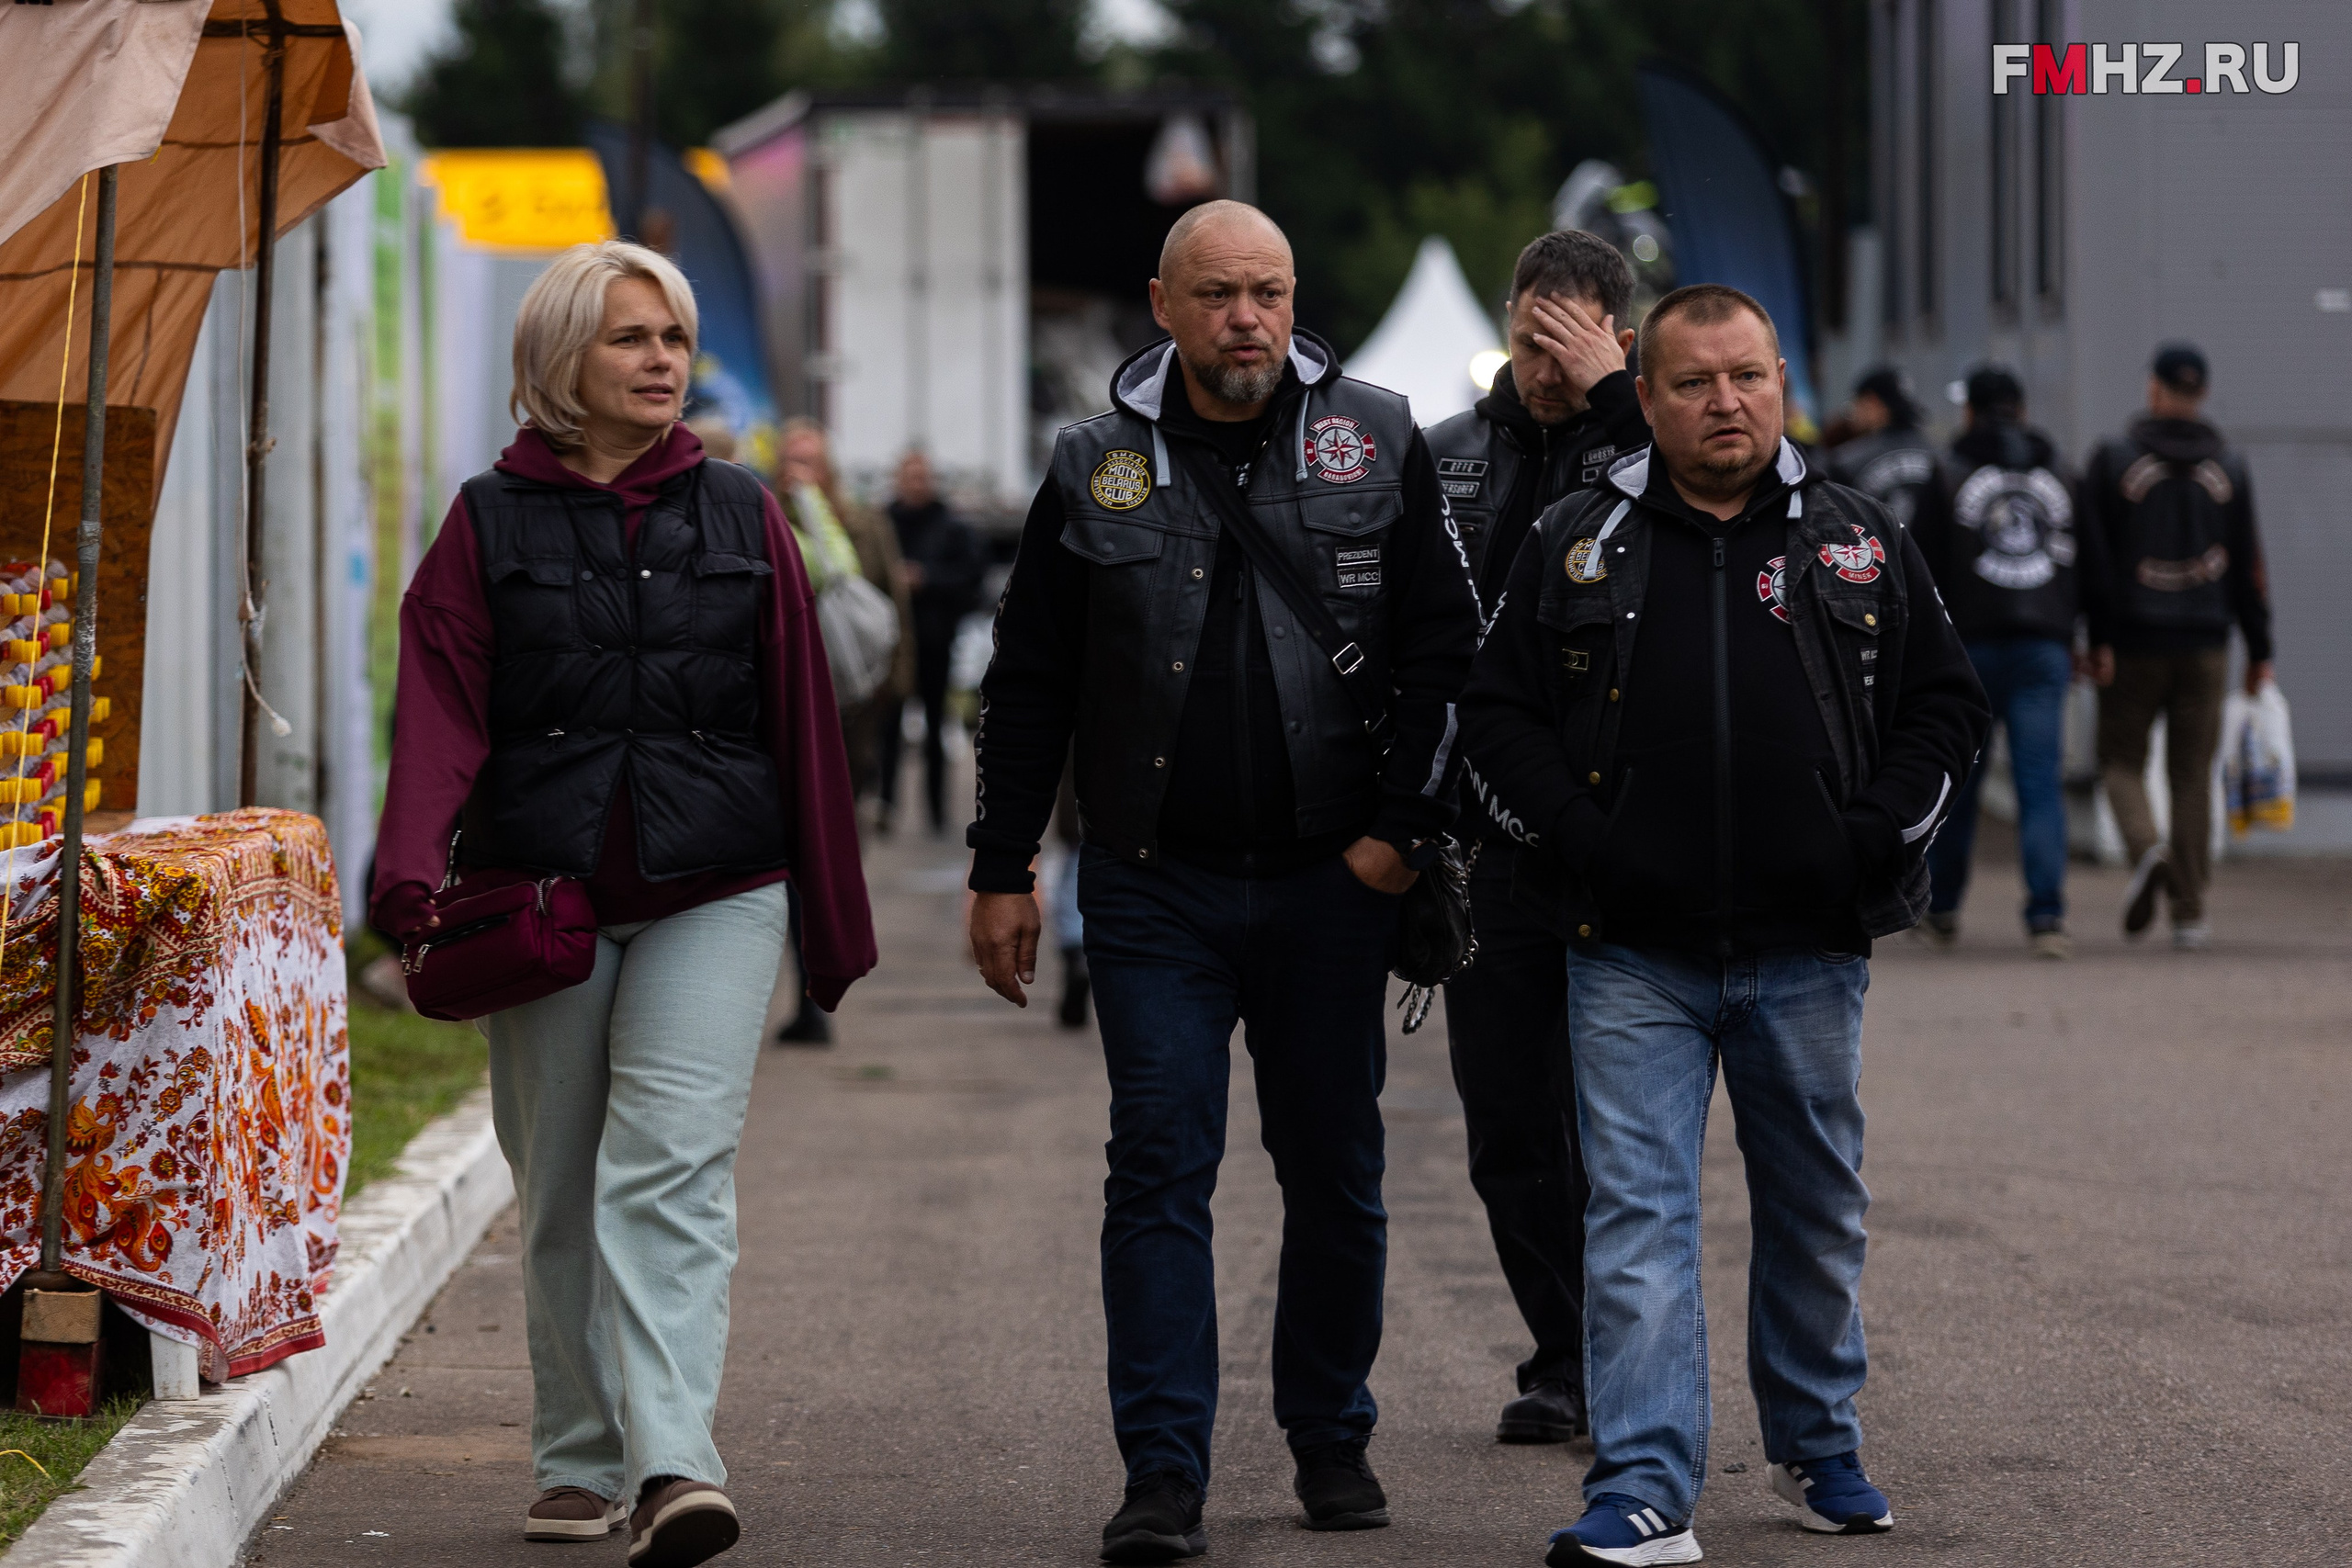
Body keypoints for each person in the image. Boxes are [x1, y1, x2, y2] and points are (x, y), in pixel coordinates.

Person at [965, 200, 1479, 1562]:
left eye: (1267, 291)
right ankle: (1163, 1471)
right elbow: (1028, 686)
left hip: (1332, 881)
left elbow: (1444, 652)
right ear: (1163, 304)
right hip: (1153, 886)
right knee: (1158, 1167)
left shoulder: (1375, 435)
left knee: (1337, 1167)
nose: (1245, 317)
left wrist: (1400, 834)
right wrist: (1001, 867)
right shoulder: (1091, 463)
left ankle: (1329, 1431)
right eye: (1216, 294)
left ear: (1294, 298)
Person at [1459, 284, 1988, 1566]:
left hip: (1810, 951)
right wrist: (1584, 840)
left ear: (1782, 379)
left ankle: (1817, 1444)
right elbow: (1497, 716)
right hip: (1629, 948)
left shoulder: (1860, 535)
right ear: (1645, 395)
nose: (1725, 401)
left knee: (1815, 1203)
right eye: (1693, 381)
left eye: (1747, 374)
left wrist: (1866, 838)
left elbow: (1946, 709)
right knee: (1635, 1209)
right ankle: (1643, 1483)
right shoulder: (1578, 536)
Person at [369, 241, 876, 1567]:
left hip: (719, 882)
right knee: (555, 1188)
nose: (663, 362)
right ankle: (578, 1455)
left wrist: (831, 913)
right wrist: (409, 869)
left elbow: (801, 719)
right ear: (560, 363)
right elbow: (438, 706)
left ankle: (670, 1462)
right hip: (541, 892)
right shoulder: (486, 519)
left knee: (668, 1169)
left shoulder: (746, 510)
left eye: (673, 337)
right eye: (630, 339)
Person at [1420, 230, 1645, 1448]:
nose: (1544, 367)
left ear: (1616, 332)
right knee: (1509, 1118)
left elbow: (1755, 514)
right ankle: (1563, 1352)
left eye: (1570, 343)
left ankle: (1630, 1351)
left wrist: (1615, 401)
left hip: (1624, 844)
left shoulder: (1657, 447)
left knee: (1621, 1121)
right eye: (1528, 338)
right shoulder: (1450, 455)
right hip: (1493, 849)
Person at [2080, 342, 2276, 948]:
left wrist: (2098, 636)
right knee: (2192, 773)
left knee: (2119, 761)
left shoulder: (2112, 459)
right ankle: (2190, 913)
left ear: (2154, 389)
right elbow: (2248, 564)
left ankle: (2148, 852)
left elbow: (2097, 561)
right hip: (2207, 642)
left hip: (2134, 639)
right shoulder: (2231, 465)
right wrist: (2260, 648)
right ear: (2203, 395)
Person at [1908, 366, 2081, 957]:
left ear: (1971, 412)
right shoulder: (2060, 470)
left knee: (1960, 782)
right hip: (2044, 646)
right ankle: (2047, 918)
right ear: (2021, 409)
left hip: (1969, 650)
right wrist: (2086, 634)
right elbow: (2090, 560)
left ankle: (1946, 907)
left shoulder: (1951, 472)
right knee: (2040, 784)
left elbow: (1921, 567)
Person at [772, 418, 914, 1046]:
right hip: (782, 715)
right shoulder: (762, 519)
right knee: (785, 859)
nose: (801, 472)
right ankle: (806, 995)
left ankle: (820, 983)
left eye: (812, 462)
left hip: (852, 716)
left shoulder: (860, 525)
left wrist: (897, 687)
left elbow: (891, 610)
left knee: (831, 852)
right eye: (791, 462)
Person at [879, 448, 984, 836]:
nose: (915, 485)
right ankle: (885, 806)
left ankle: (937, 811)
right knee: (888, 728)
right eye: (909, 477)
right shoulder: (883, 522)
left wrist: (926, 579)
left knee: (937, 724)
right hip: (893, 644)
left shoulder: (951, 525)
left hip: (936, 640)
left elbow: (970, 578)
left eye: (922, 477)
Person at [1824, 367, 1939, 531]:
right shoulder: (1940, 458)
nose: (1853, 412)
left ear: (1872, 402)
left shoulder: (1846, 462)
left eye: (1856, 404)